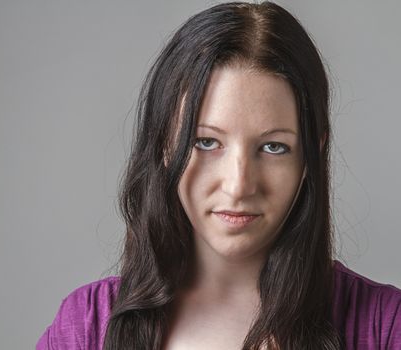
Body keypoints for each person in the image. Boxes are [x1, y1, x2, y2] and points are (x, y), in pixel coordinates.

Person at [36, 2, 401, 349]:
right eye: (206, 142)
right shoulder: (86, 328)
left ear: (312, 154)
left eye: (274, 147)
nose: (239, 185)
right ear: (165, 143)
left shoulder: (386, 326)